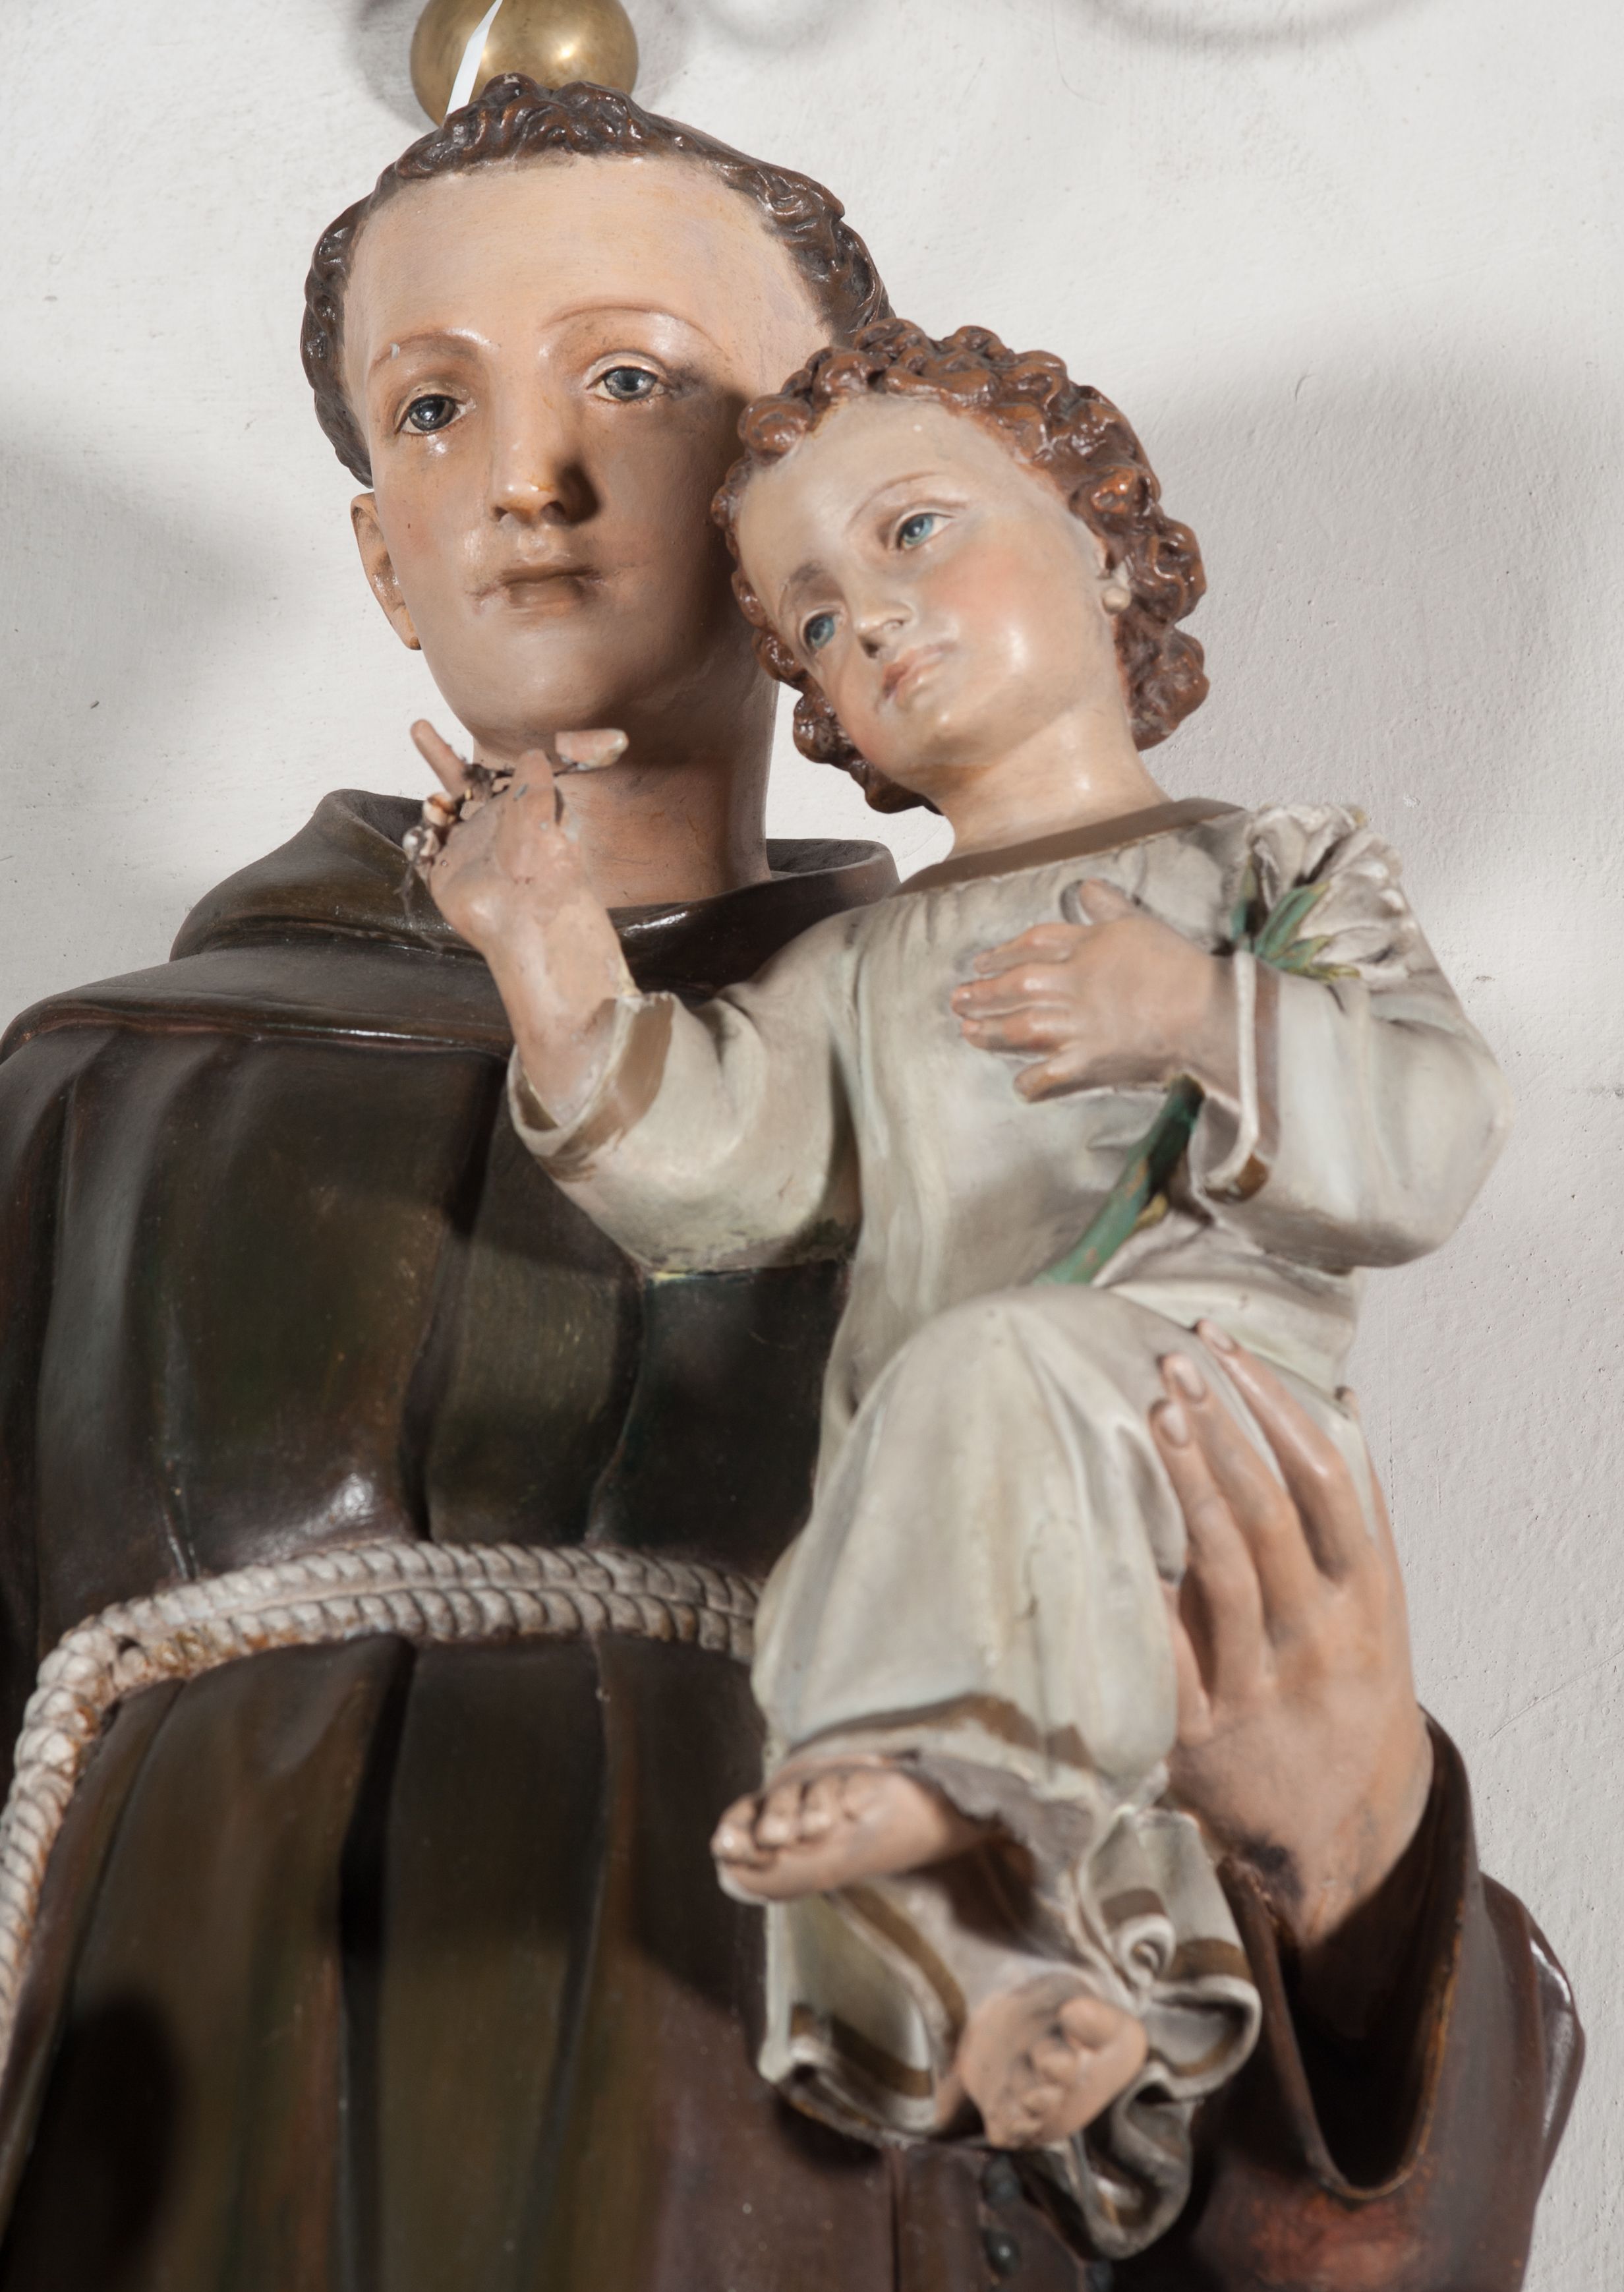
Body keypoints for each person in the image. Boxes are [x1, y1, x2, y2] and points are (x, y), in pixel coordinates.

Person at [0, 76, 1579, 2291]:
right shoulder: (107, 1092)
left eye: (632, 382)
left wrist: (1352, 1858)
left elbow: (1351, 2162)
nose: (529, 480)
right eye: (433, 408)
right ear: (376, 550)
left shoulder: (1024, 1037)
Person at [408, 319, 1513, 2252]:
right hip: (952, 1483)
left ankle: (935, 1806)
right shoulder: (859, 968)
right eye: (817, 624)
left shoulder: (1268, 874)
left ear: (1107, 545)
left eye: (917, 531)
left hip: (1196, 1437)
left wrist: (1200, 1013)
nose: (877, 622)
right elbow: (713, 1171)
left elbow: (1429, 1135)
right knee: (904, 1544)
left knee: (978, 1401)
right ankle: (1008, 1997)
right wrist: (551, 953)